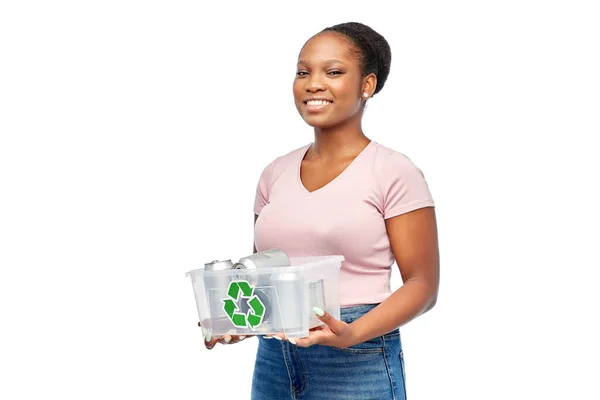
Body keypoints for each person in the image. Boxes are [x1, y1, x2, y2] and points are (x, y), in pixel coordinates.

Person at [201, 22, 439, 399]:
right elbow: (266, 277)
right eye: (302, 71)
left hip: (358, 359)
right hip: (275, 361)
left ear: (367, 85)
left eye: (333, 72)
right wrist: (241, 321)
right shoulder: (274, 172)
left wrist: (351, 334)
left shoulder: (393, 170)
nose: (313, 83)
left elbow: (423, 286)